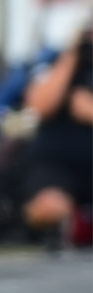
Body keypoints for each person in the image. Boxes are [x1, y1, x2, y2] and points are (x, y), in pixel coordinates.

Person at [22, 26, 93, 249]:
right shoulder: (60, 59)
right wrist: (73, 54)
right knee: (47, 208)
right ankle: (70, 224)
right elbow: (38, 106)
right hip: (59, 165)